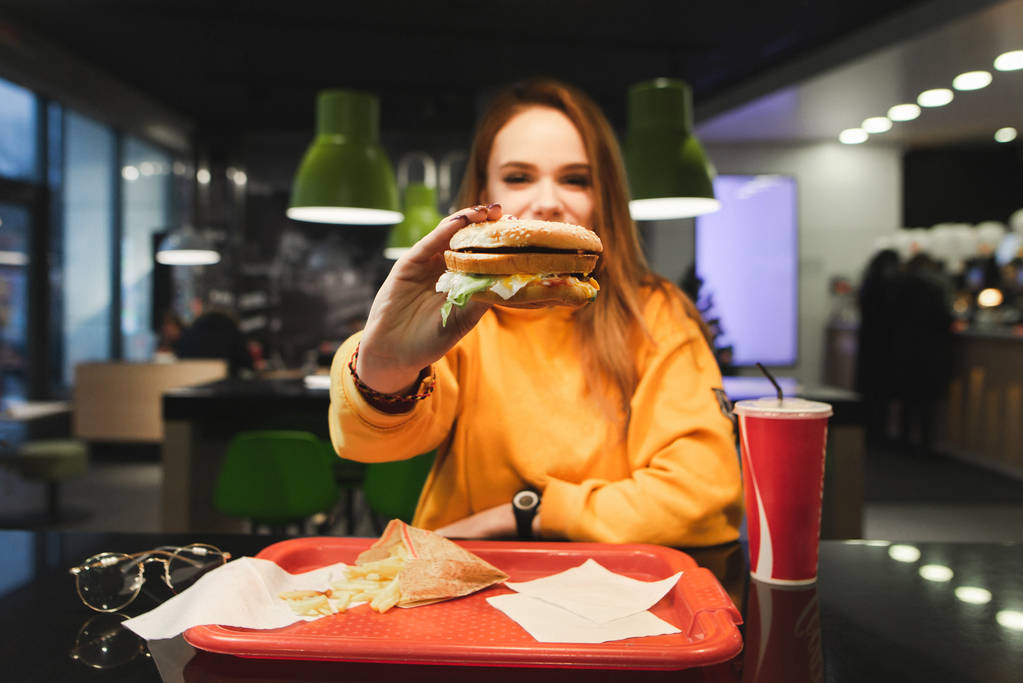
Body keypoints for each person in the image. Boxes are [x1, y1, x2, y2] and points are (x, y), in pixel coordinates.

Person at [328, 78, 742, 546]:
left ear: (602, 196)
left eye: (575, 179)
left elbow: (702, 497)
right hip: (463, 590)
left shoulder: (654, 313)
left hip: (614, 594)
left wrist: (524, 514)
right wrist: (387, 364)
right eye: (519, 177)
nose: (548, 201)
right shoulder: (461, 310)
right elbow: (367, 443)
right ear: (484, 193)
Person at [854, 249, 900, 446]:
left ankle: (872, 433)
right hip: (881, 348)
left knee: (871, 393)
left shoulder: (869, 283)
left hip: (870, 347)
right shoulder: (884, 286)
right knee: (877, 394)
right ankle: (877, 434)